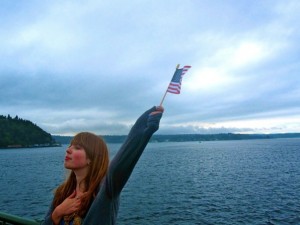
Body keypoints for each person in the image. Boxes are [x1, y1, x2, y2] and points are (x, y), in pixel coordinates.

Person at [42, 106, 164, 225]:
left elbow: (120, 164)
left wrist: (145, 128)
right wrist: (57, 213)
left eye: (77, 148)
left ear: (91, 158)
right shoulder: (63, 192)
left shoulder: (105, 191)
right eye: (70, 146)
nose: (68, 150)